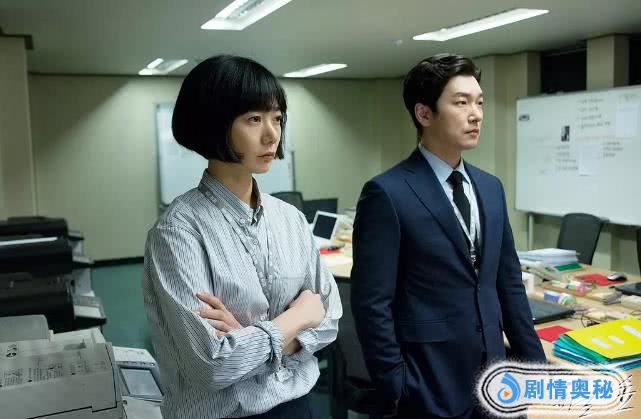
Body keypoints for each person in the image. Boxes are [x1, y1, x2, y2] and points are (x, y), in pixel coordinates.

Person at [142, 55, 342, 419]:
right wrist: (296, 317)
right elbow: (213, 366)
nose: (272, 134)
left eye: (277, 118)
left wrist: (251, 338)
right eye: (254, 119)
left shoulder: (291, 220)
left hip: (298, 406)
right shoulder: (178, 232)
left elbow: (329, 320)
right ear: (214, 123)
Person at [350, 53, 545, 419]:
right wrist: (396, 385)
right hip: (429, 385)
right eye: (461, 102)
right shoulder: (388, 193)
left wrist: (535, 367)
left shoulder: (491, 188)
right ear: (424, 114)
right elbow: (371, 303)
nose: (476, 114)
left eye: (479, 102)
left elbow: (508, 284)